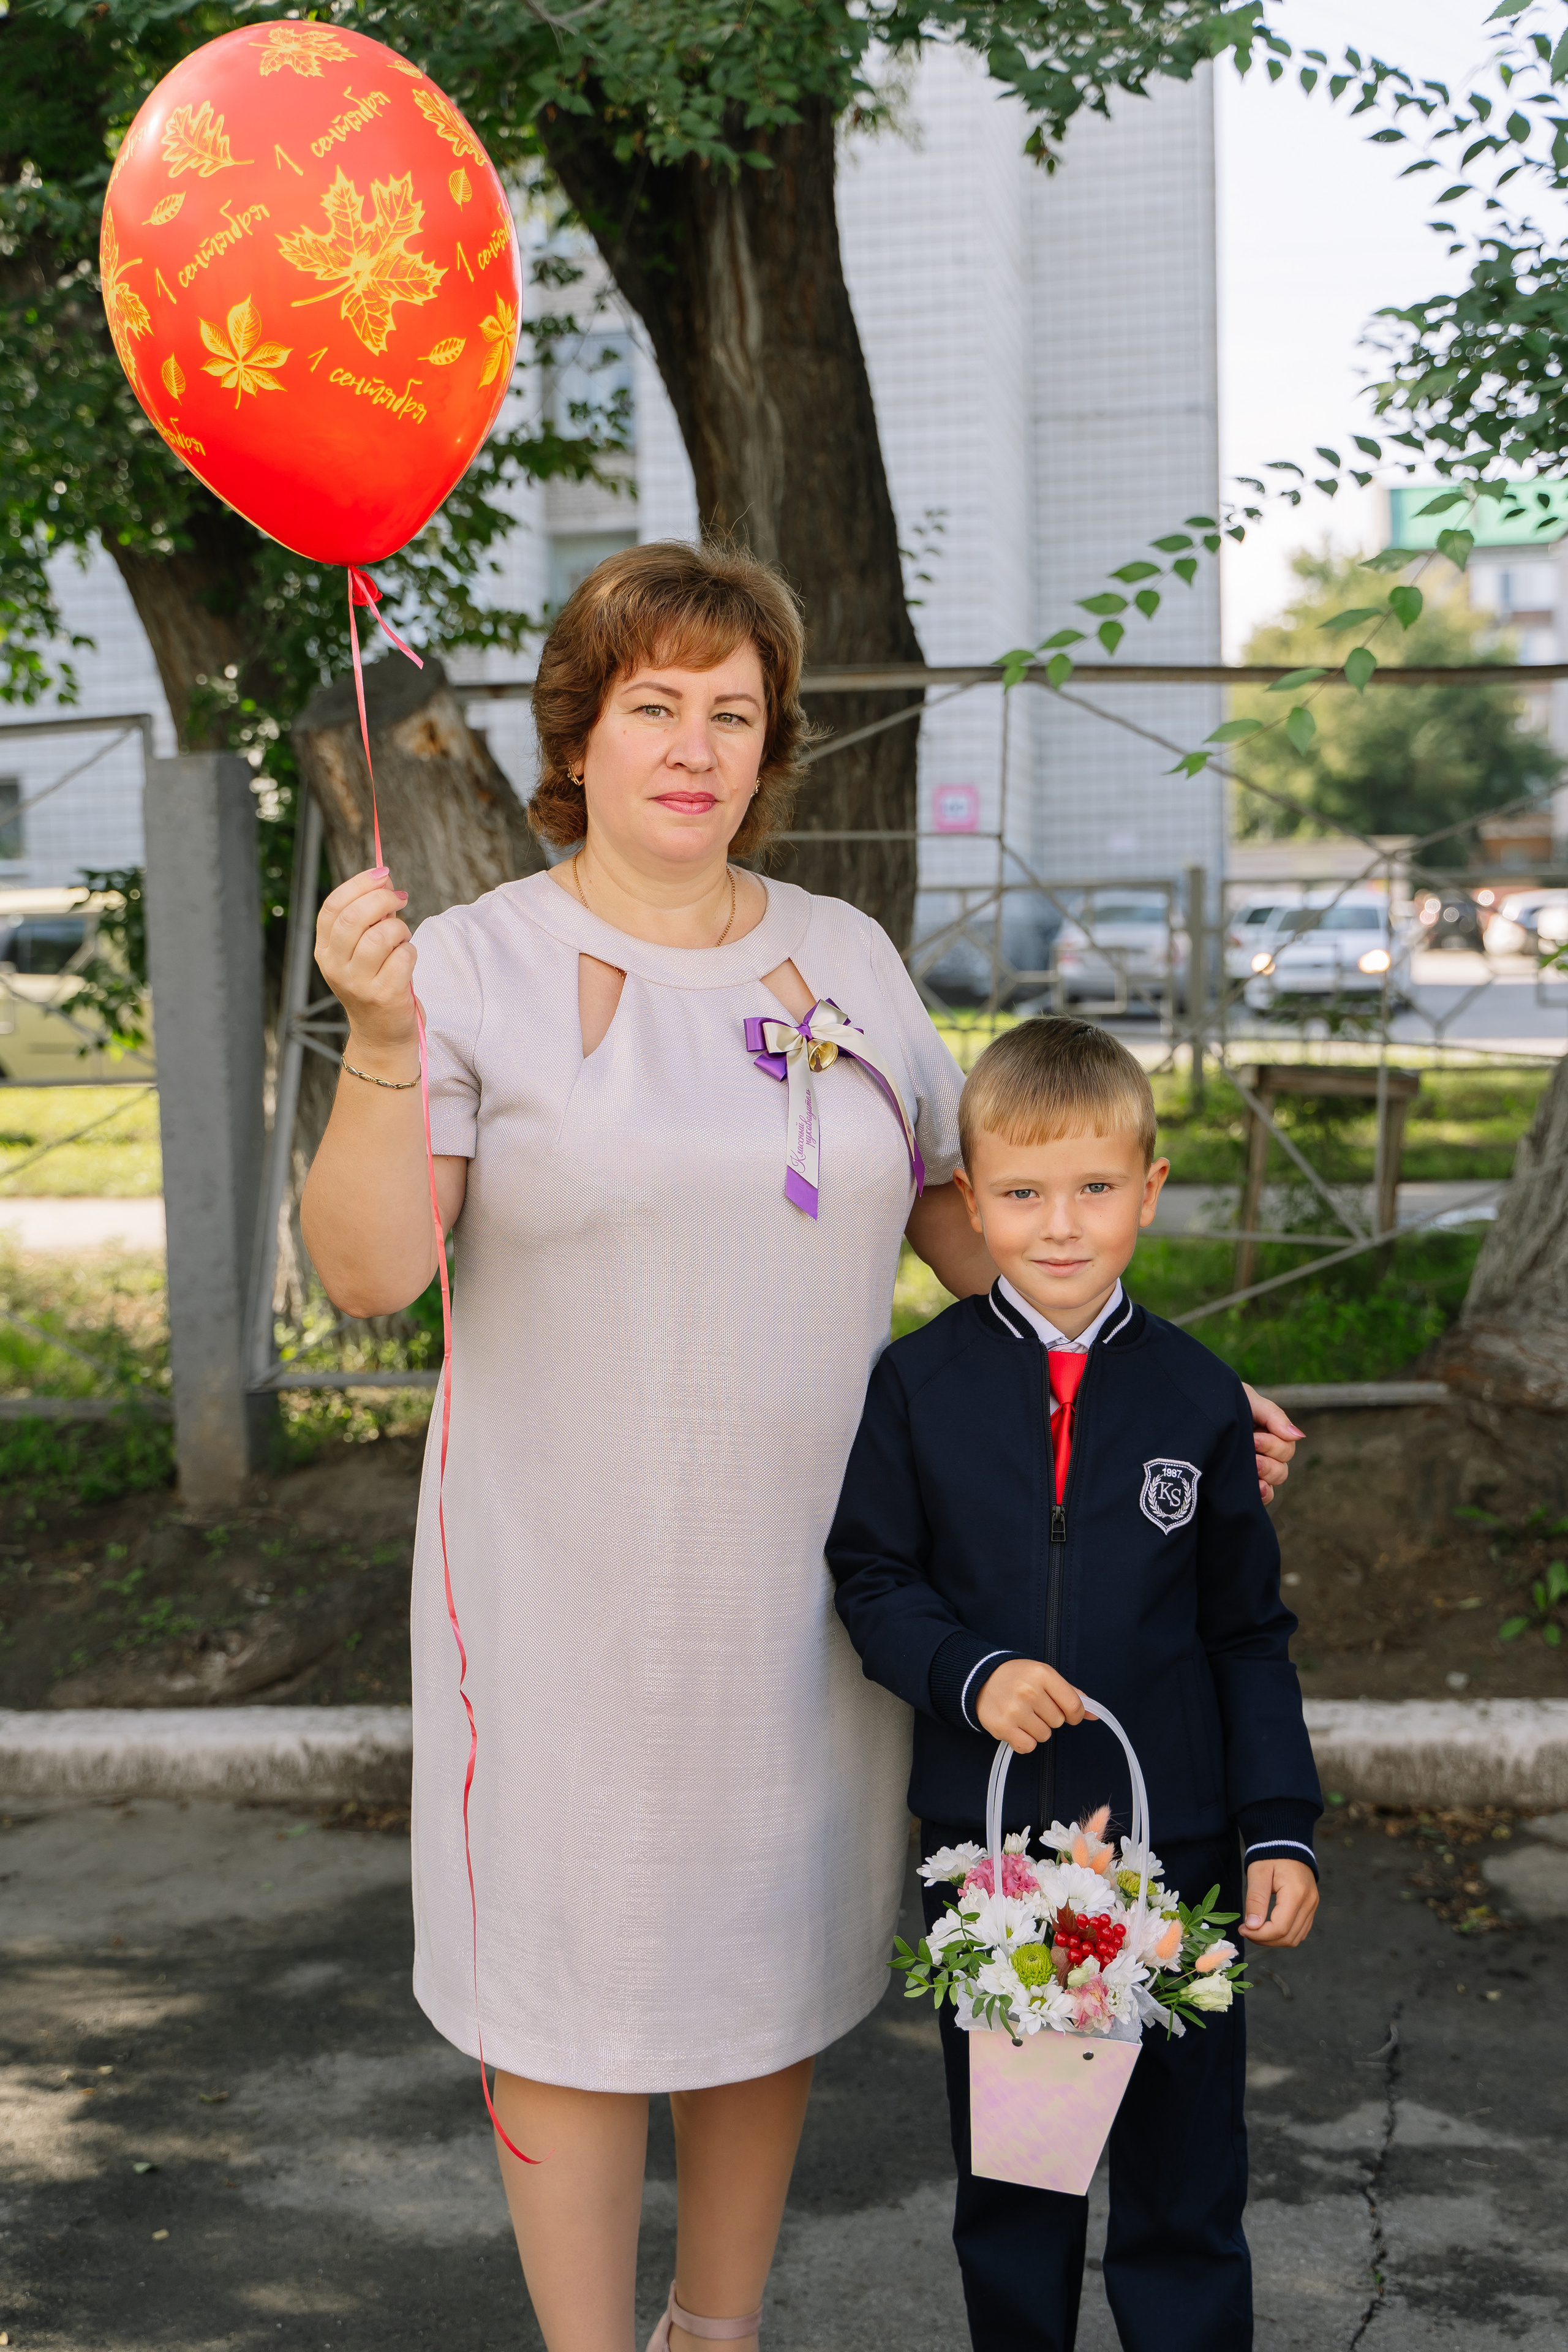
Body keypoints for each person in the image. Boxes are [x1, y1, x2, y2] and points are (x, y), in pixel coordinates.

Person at [300, 541, 1303, 2352]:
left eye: (733, 714)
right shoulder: (472, 965)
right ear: (580, 738)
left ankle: (720, 2332)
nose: (695, 747)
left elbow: (973, 1214)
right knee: (580, 1985)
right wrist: (381, 1041)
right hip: (567, 1594)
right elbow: (369, 1272)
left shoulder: (839, 955)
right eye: (654, 708)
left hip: (831, 1586)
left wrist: (1161, 1386)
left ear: (769, 751)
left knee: (761, 1973)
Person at [827, 1015, 1321, 2352]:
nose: (1060, 1225)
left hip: (1179, 1860)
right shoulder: (917, 1390)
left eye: (1095, 1188)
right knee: (1020, 2188)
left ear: (1147, 1192)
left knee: (1180, 2184)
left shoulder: (1197, 1400)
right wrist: (966, 1674)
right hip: (1000, 1867)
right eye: (1023, 1192)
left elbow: (1244, 1633)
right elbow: (869, 1578)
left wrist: (1277, 1826)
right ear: (968, 1203)